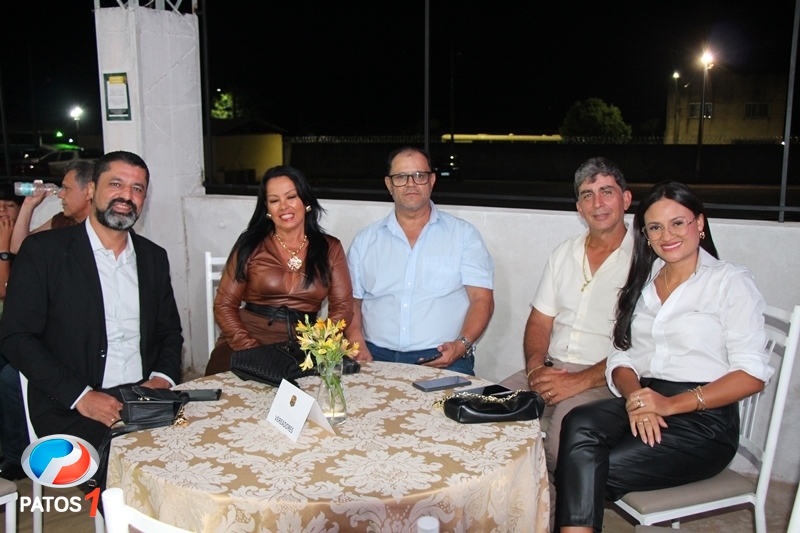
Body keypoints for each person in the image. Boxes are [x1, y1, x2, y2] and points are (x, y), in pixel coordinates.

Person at [554, 181, 772, 533]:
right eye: (655, 227)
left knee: (582, 466)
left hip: (704, 420)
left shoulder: (729, 282)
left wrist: (670, 405)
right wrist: (637, 398)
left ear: (699, 223)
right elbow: (622, 357)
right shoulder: (645, 280)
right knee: (579, 421)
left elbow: (752, 374)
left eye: (678, 223)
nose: (667, 235)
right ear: (646, 235)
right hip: (648, 398)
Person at [0, 150, 183, 452]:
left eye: (137, 188)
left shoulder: (153, 257)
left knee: (200, 449)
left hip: (145, 396)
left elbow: (169, 332)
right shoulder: (44, 252)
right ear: (91, 190)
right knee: (126, 463)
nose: (126, 196)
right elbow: (16, 337)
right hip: (71, 404)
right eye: (116, 184)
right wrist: (81, 396)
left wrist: (162, 379)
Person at [499, 157, 633, 519]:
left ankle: (554, 520)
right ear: (578, 207)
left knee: (563, 438)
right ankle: (505, 512)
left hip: (606, 376)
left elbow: (642, 345)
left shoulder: (645, 260)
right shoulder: (564, 253)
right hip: (551, 367)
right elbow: (539, 321)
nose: (597, 203)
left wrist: (578, 382)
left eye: (606, 192)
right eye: (587, 195)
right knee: (489, 410)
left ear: (626, 199)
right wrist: (534, 368)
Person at [346, 147, 494, 375]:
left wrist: (461, 346)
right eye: (401, 177)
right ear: (389, 184)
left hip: (443, 356)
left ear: (432, 180)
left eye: (419, 175)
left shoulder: (464, 235)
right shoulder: (365, 241)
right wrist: (356, 340)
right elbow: (351, 301)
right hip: (374, 355)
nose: (411, 184)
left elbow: (482, 299)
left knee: (452, 401)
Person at [204, 165, 353, 375]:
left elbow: (342, 308)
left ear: (305, 201)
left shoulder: (330, 248)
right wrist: (252, 349)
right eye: (274, 200)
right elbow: (224, 305)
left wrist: (318, 344)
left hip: (304, 345)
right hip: (246, 338)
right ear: (267, 208)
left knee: (321, 389)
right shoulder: (250, 244)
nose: (284, 207)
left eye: (291, 197)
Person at [9, 160, 94, 254]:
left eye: (66, 188)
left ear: (89, 191)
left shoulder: (102, 227)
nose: (60, 195)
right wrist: (28, 205)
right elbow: (19, 247)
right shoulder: (63, 221)